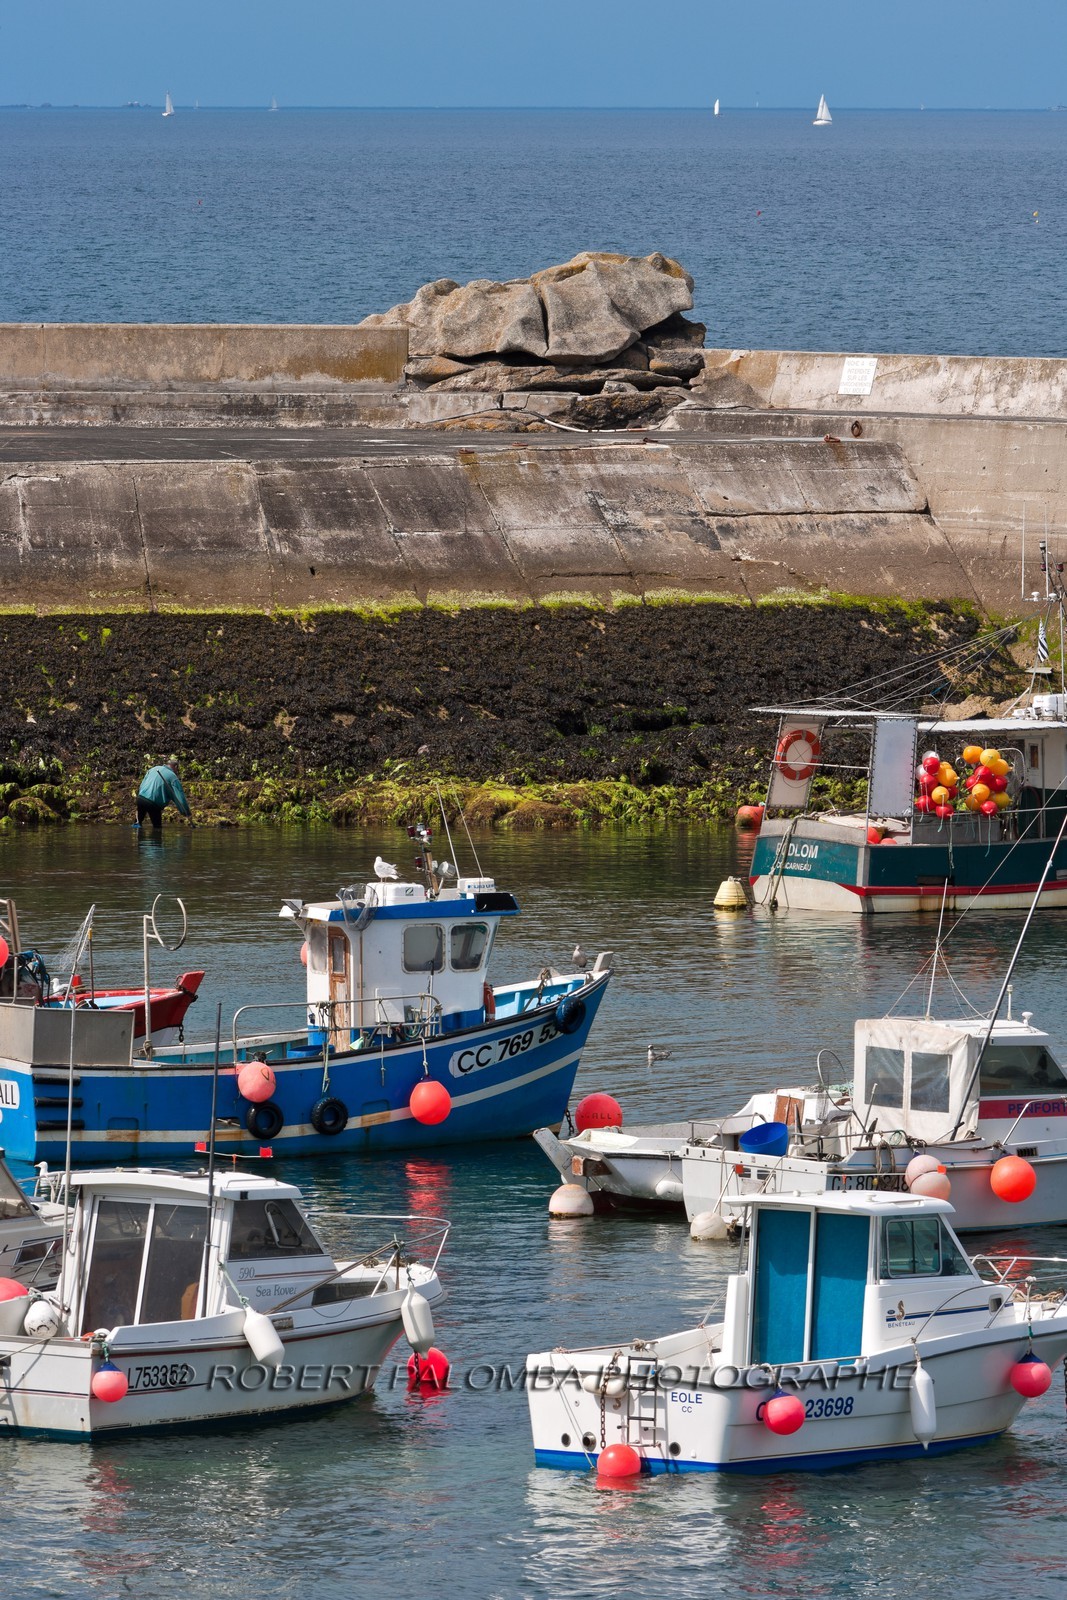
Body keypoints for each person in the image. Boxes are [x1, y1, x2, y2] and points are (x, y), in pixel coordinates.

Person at [136, 759, 193, 829]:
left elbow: (142, 784)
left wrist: (139, 797)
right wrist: (187, 813)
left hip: (141, 799)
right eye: (178, 769)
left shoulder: (153, 769)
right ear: (176, 767)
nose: (177, 771)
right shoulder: (173, 777)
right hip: (153, 804)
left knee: (138, 823)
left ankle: (137, 834)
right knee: (157, 828)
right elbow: (179, 798)